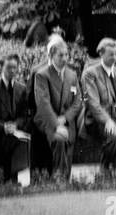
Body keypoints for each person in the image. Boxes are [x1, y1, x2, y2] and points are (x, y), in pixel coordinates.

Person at [33, 36, 84, 180]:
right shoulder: (42, 75)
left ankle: (63, 181)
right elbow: (43, 103)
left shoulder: (72, 75)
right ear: (51, 56)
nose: (65, 58)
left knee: (67, 150)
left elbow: (78, 100)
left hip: (68, 122)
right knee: (60, 139)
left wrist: (65, 118)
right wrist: (56, 123)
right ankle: (59, 182)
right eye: (60, 55)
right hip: (49, 123)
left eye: (66, 54)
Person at [82, 37, 116, 171]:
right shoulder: (90, 73)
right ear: (101, 54)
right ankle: (110, 171)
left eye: (115, 54)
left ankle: (109, 173)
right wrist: (108, 121)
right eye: (110, 54)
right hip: (96, 121)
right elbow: (92, 103)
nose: (114, 57)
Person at [0, 53, 31, 182]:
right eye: (9, 67)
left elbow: (25, 115)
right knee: (0, 176)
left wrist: (16, 125)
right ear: (1, 67)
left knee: (14, 176)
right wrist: (3, 127)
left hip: (16, 137)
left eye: (15, 67)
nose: (12, 71)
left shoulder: (22, 89)